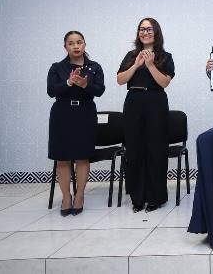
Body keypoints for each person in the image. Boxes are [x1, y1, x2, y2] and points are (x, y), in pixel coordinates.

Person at [117, 18, 174, 213]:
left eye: (149, 29)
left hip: (156, 102)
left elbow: (164, 82)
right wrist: (136, 65)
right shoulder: (131, 55)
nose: (145, 32)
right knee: (134, 149)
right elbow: (120, 79)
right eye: (142, 29)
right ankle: (138, 198)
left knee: (156, 149)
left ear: (156, 32)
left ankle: (155, 197)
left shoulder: (165, 56)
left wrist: (150, 65)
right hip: (133, 101)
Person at [47, 31, 105, 216]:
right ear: (65, 47)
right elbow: (51, 90)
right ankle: (66, 197)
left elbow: (100, 90)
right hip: (62, 114)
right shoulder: (57, 67)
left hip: (85, 114)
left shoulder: (94, 67)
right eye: (71, 43)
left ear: (84, 45)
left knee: (82, 157)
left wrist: (84, 85)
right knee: (62, 158)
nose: (76, 46)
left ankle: (79, 196)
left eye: (79, 42)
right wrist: (69, 82)